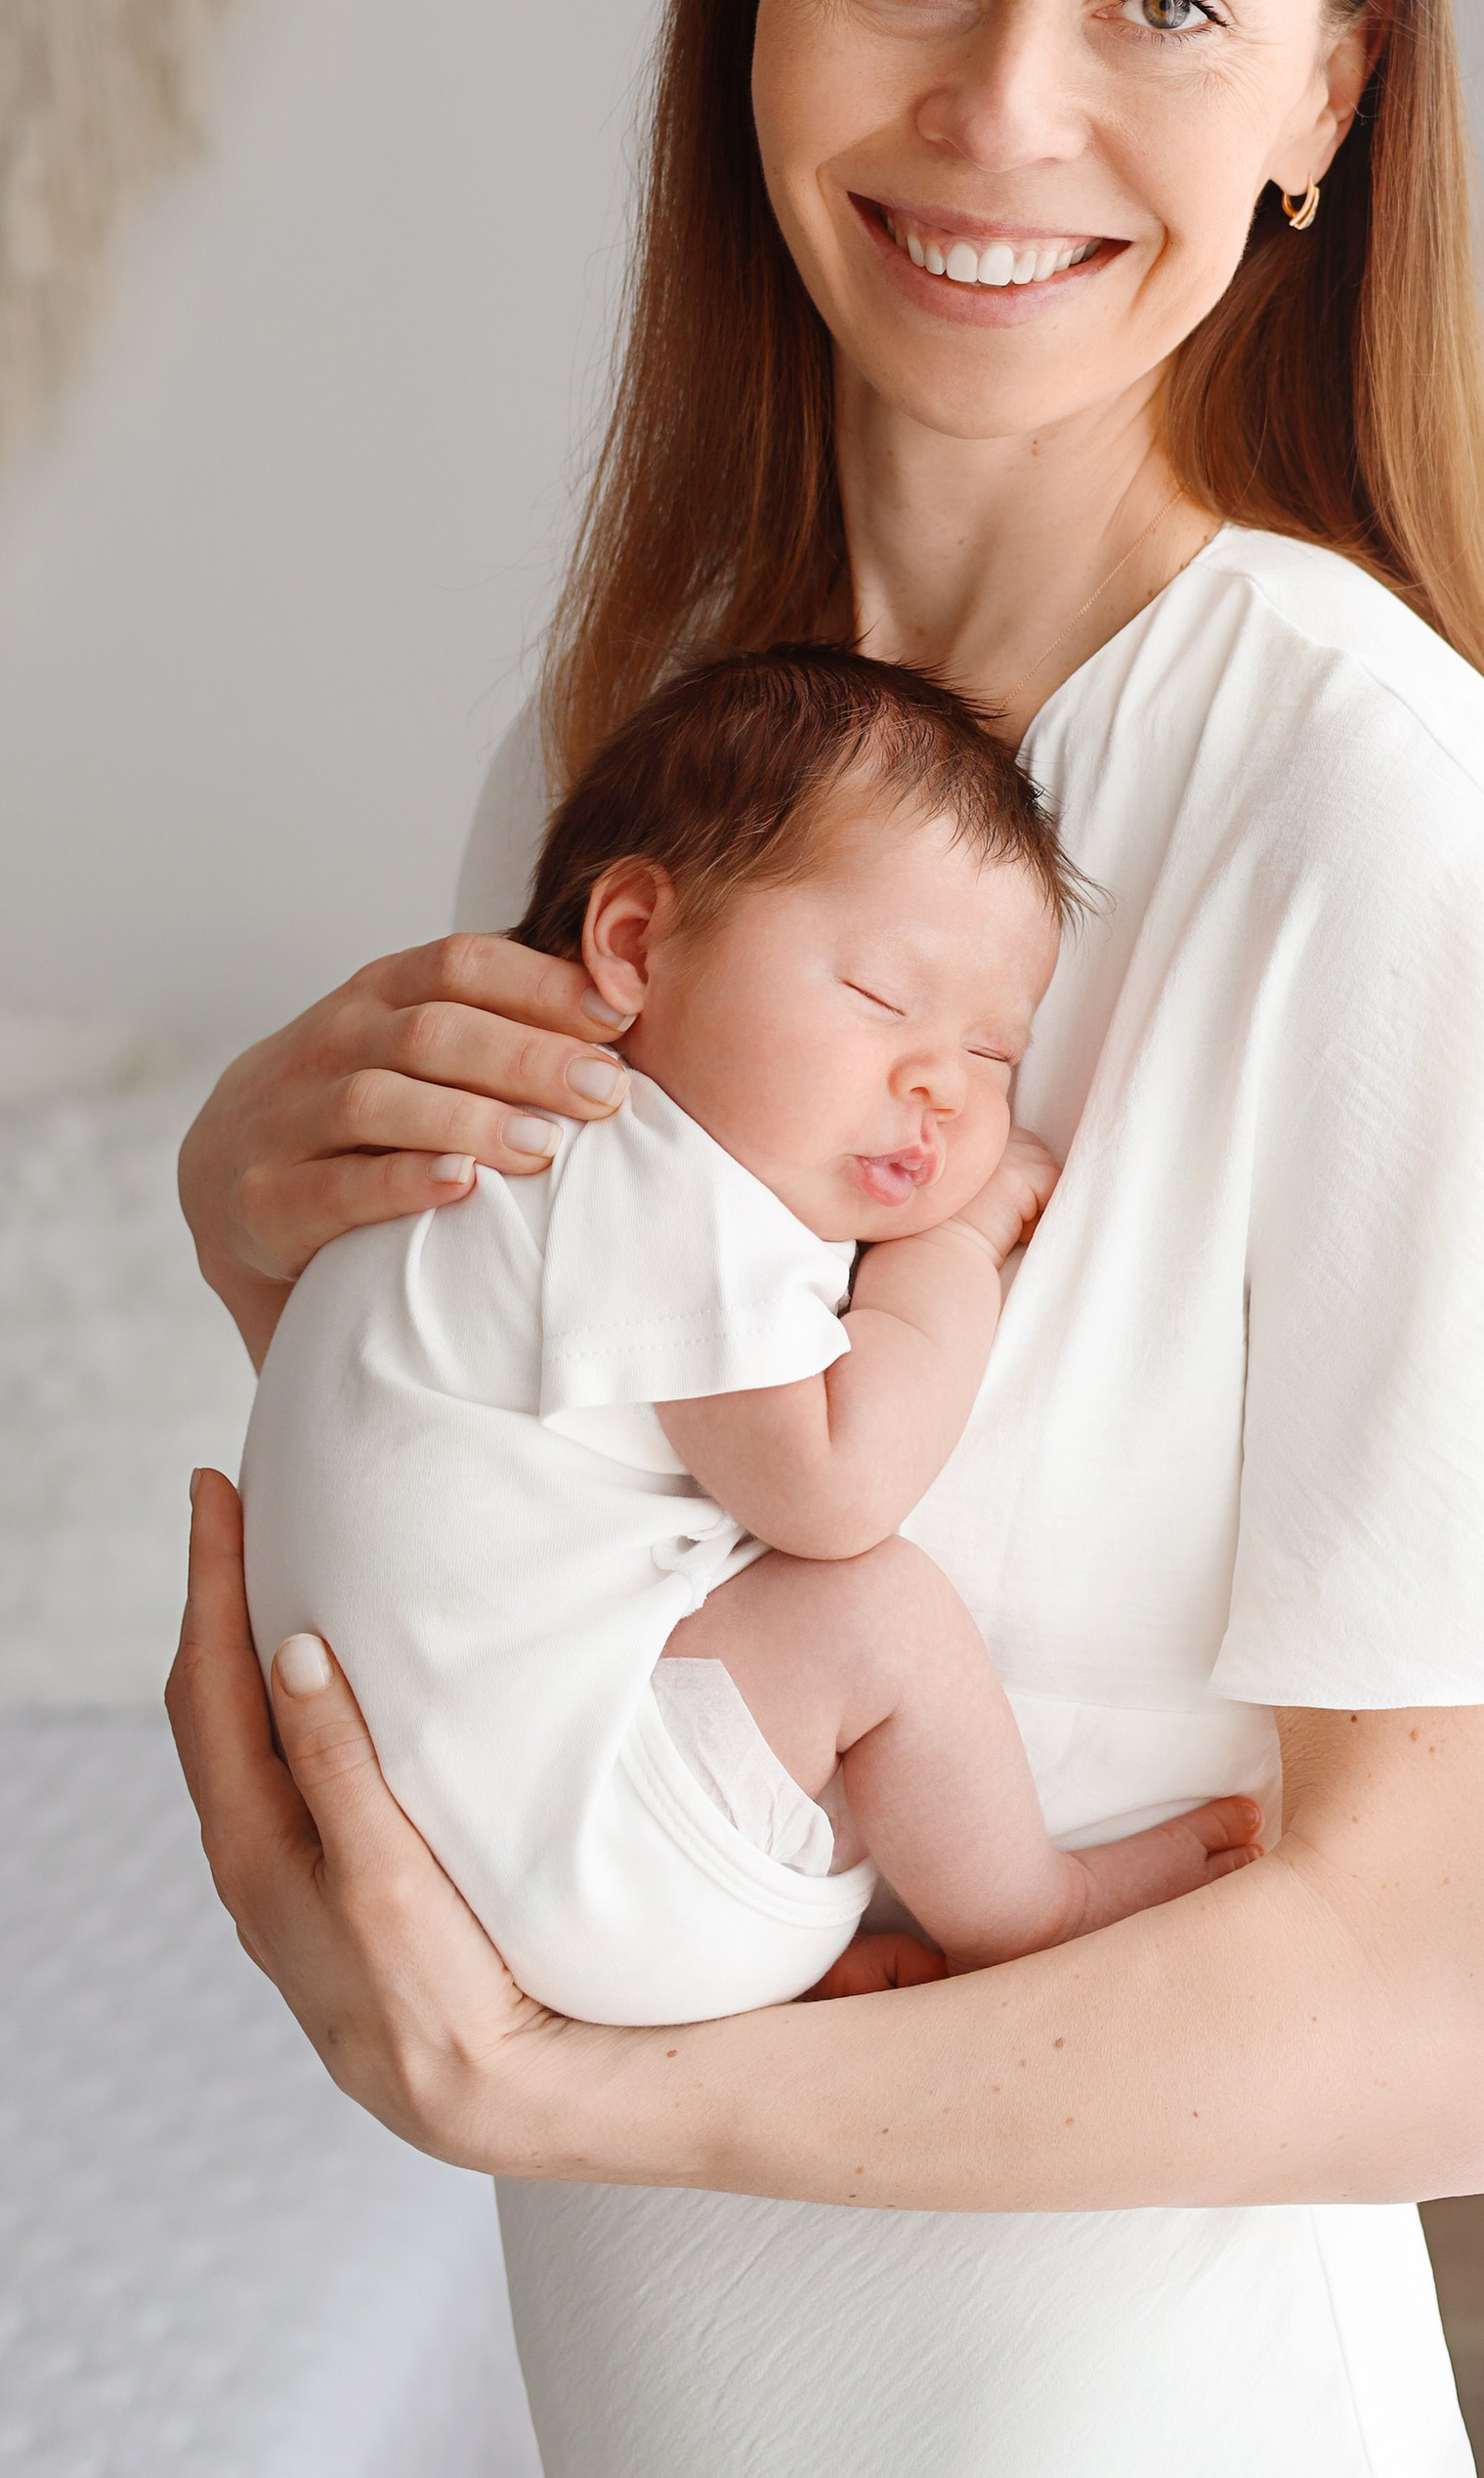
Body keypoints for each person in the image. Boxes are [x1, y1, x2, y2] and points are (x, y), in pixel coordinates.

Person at [170, 0, 1484, 2477]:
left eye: (1167, 5)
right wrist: (267, 1240)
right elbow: (564, 1539)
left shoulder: (1373, 834)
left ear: (1336, 91)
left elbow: (1452, 2020)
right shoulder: (632, 769)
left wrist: (583, 2097)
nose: (1002, 109)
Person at [236, 641, 1262, 2028]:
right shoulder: (639, 1167)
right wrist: (947, 1255)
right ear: (637, 945)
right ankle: (1032, 1908)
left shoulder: (502, 1161)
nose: (942, 1090)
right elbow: (835, 1485)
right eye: (886, 1000)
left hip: (484, 1859)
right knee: (871, 1606)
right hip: (594, 1858)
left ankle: (758, 1954)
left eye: (993, 1053)